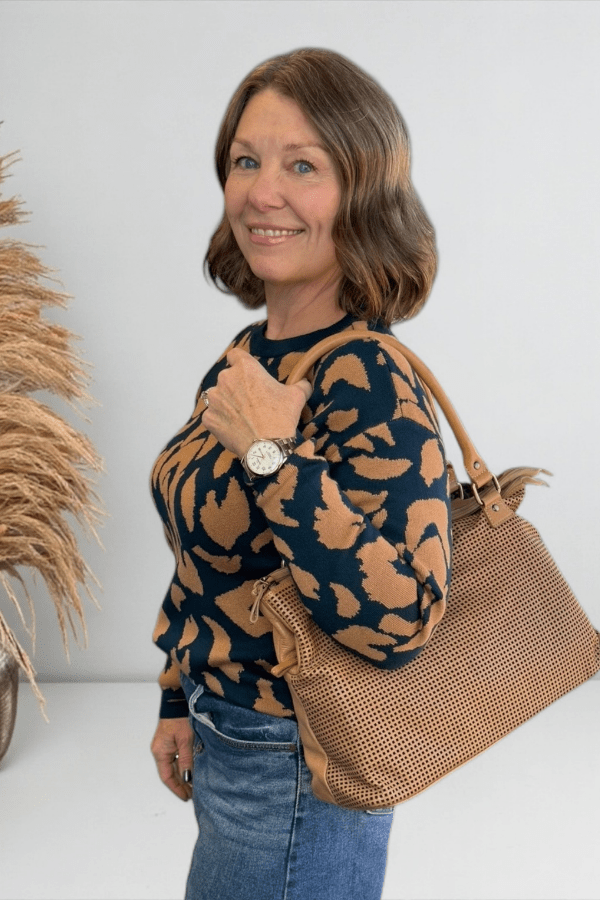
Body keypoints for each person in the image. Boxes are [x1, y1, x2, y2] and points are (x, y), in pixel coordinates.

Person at [150, 47, 451, 900]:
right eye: (246, 160)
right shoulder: (250, 356)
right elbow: (207, 552)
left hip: (302, 771)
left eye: (303, 166)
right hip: (229, 738)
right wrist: (177, 693)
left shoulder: (368, 376)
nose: (261, 192)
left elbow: (402, 620)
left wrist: (272, 457)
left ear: (364, 193)